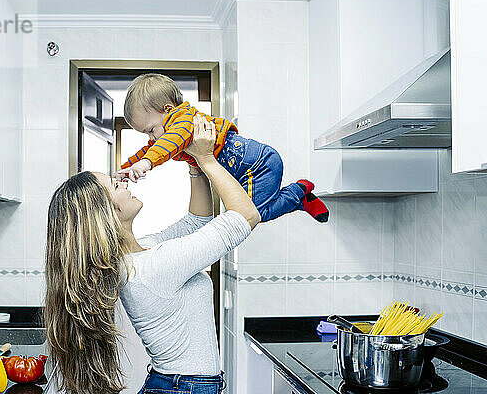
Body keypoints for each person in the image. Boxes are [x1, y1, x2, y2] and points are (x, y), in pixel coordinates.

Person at [44, 116, 259, 394]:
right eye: (115, 185)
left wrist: (193, 164)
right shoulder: (151, 268)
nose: (124, 184)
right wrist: (207, 159)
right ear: (108, 214)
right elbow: (246, 216)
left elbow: (198, 220)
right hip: (185, 388)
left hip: (176, 385)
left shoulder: (139, 254)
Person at [115, 73, 329, 223]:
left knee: (254, 214)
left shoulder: (183, 121)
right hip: (245, 171)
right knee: (244, 213)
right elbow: (149, 149)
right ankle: (301, 200)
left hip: (258, 164)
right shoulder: (167, 130)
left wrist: (146, 163)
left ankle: (298, 193)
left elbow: (167, 143)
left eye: (151, 130)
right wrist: (127, 167)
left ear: (168, 109)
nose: (152, 138)